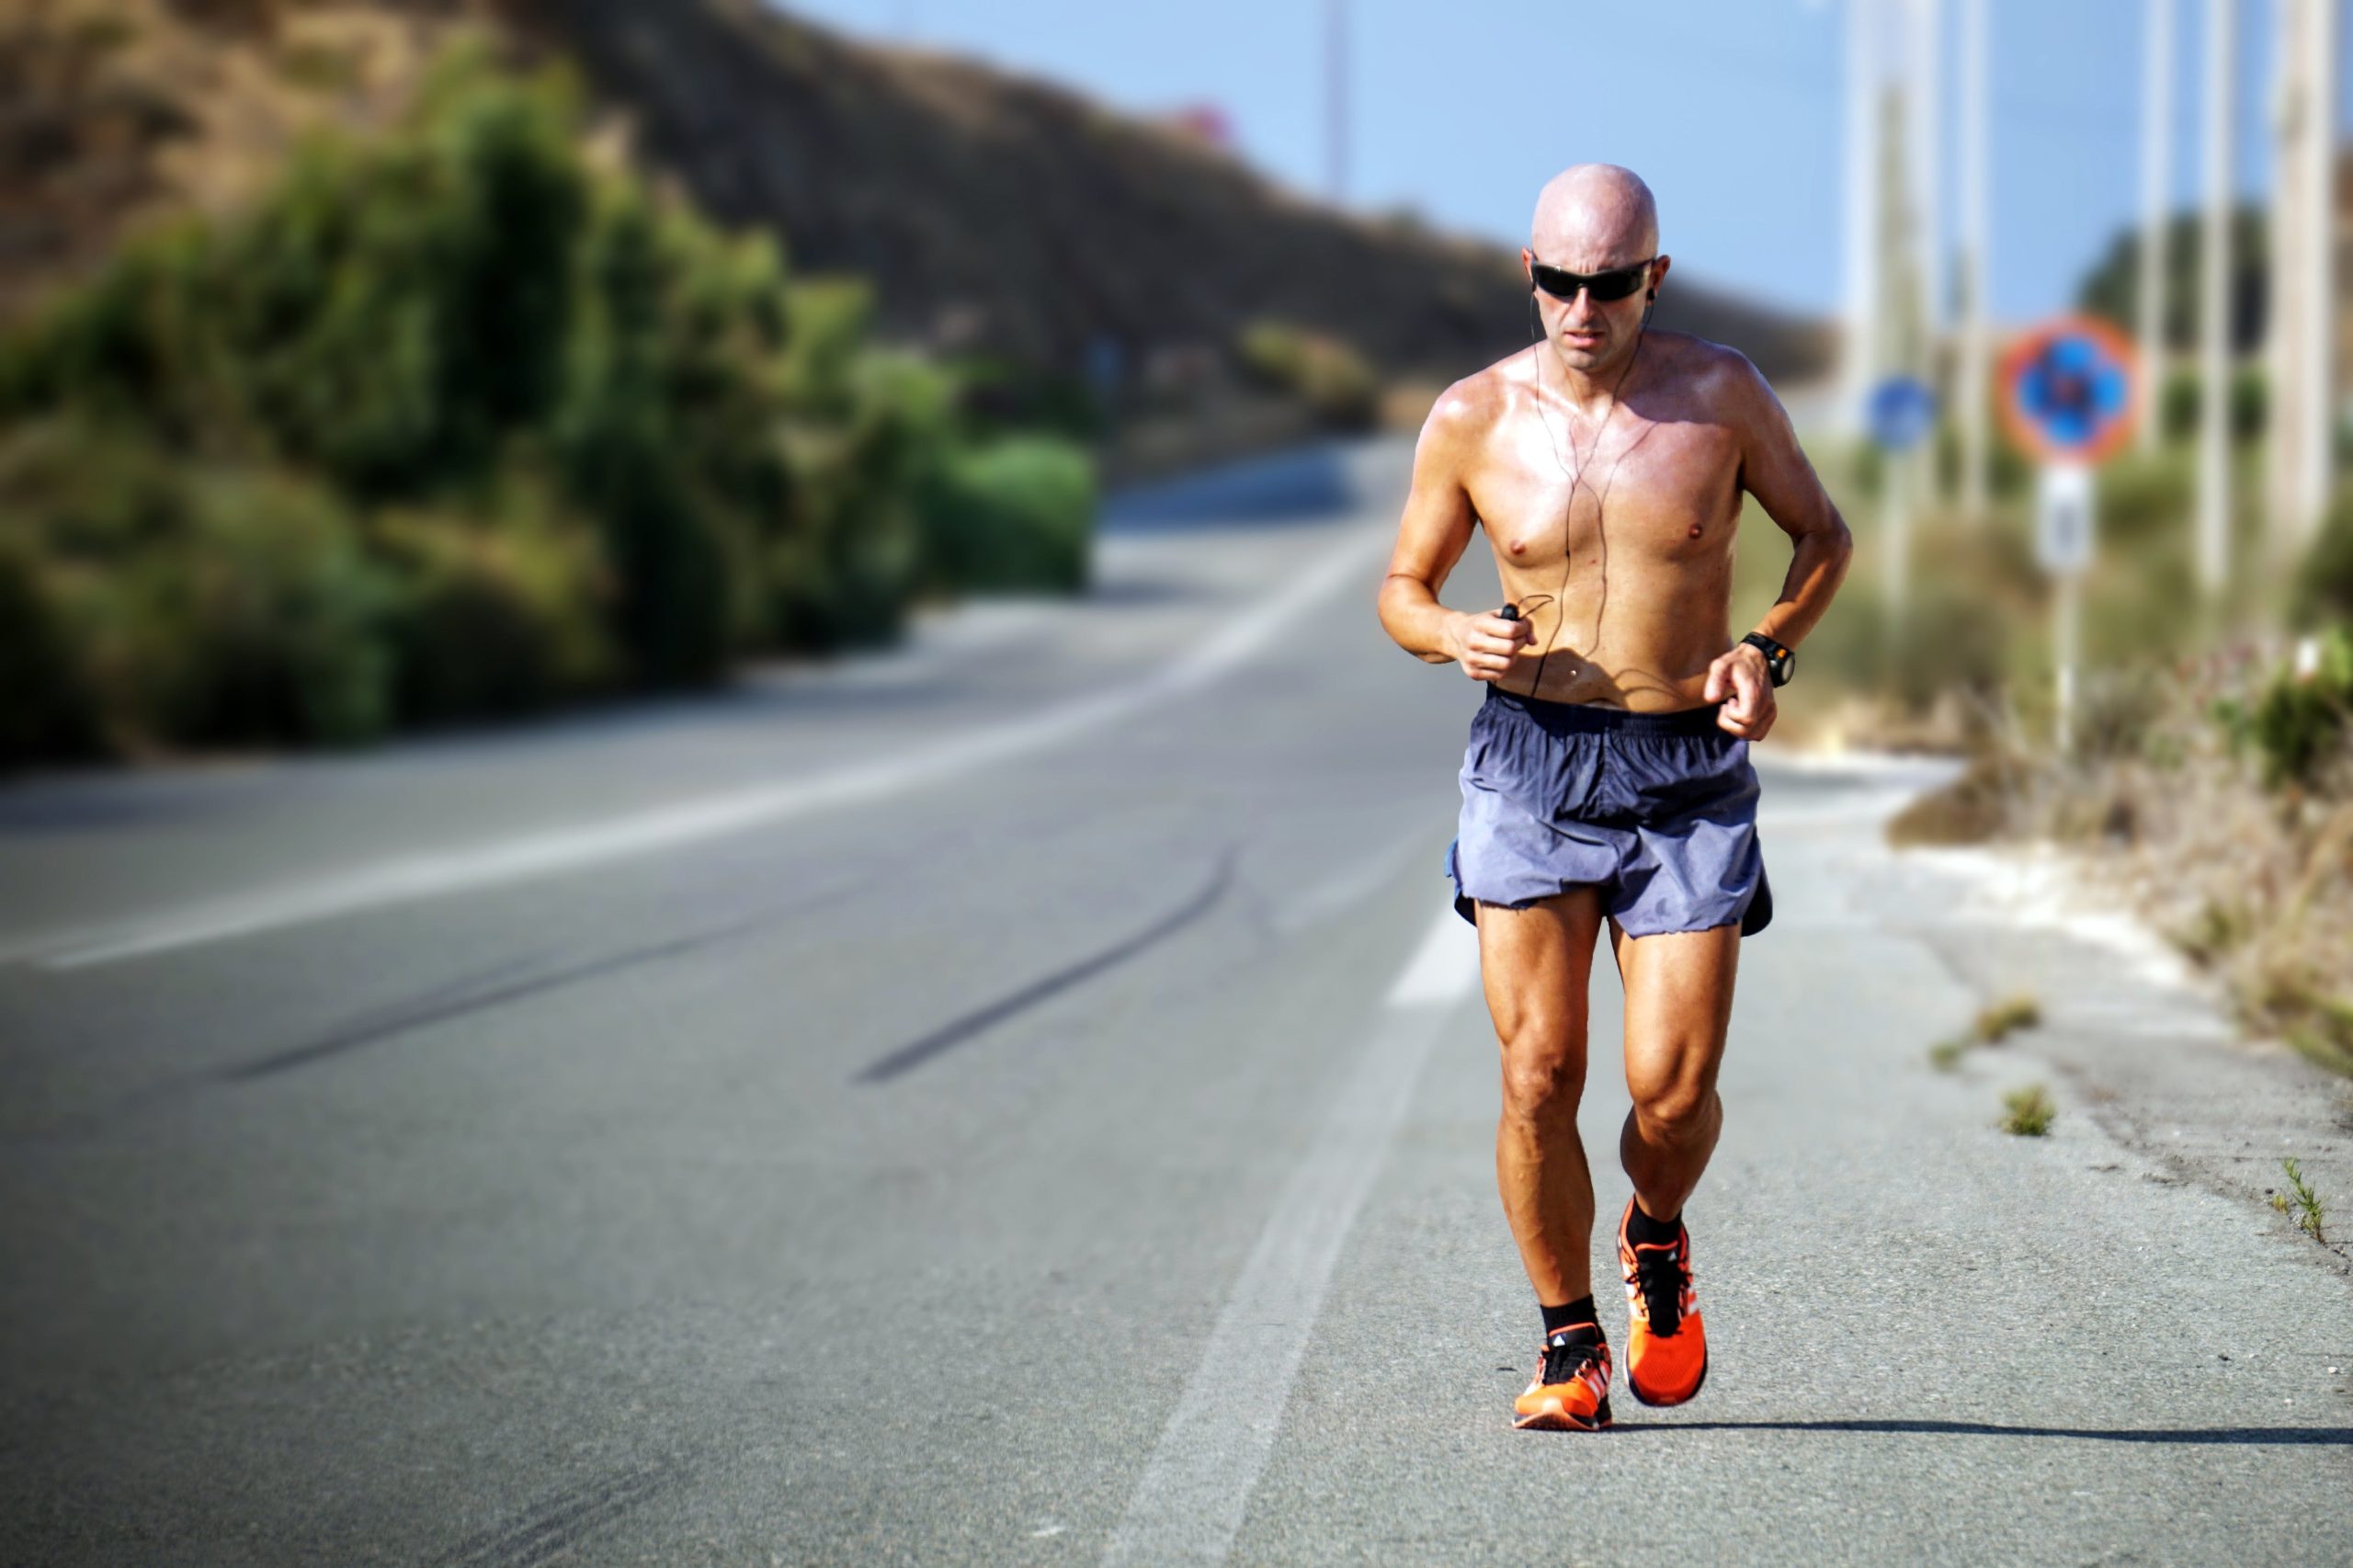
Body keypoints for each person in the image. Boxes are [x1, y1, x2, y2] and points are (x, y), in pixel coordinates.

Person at [1373, 165, 1852, 1431]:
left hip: (1685, 767)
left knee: (1671, 1093)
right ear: (1527, 274)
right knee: (1539, 1071)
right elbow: (1402, 586)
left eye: (1609, 283)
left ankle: (1654, 1230)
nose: (1580, 308)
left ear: (1655, 277)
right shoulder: (1474, 415)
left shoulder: (1723, 396)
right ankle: (1569, 1340)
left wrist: (1767, 649)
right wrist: (1446, 634)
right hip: (1530, 759)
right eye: (1556, 282)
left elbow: (1824, 536)